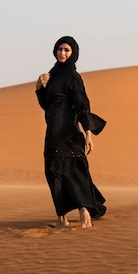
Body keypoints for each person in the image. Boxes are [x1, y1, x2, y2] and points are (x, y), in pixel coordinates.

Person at [35, 36, 107, 228]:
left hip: (68, 130)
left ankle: (84, 209)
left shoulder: (73, 77)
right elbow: (47, 106)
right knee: (53, 172)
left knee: (73, 170)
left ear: (73, 52)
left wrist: (88, 133)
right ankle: (62, 219)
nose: (62, 53)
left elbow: (82, 105)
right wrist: (39, 87)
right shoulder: (51, 75)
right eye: (60, 49)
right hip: (53, 130)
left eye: (67, 50)